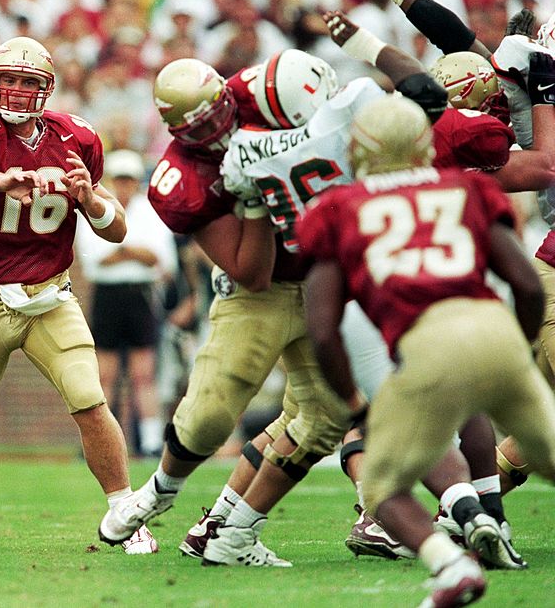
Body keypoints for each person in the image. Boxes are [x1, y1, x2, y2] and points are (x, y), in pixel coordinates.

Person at [300, 93, 555, 608]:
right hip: (495, 333)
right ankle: (486, 521)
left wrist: (354, 407)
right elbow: (528, 285)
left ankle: (452, 566)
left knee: (382, 487)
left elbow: (323, 331)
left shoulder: (337, 209)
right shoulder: (468, 187)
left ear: (359, 148)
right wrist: (521, 350)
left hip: (425, 345)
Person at [0, 36, 157, 555]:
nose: (17, 90)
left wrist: (90, 200)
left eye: (28, 81)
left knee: (90, 400)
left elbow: (117, 229)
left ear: (47, 88)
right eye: (8, 79)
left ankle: (125, 512)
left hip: (50, 297)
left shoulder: (75, 138)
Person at [99, 56, 333, 567]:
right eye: (201, 126)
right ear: (177, 132)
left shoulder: (268, 91)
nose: (219, 129)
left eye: (220, 112)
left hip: (325, 276)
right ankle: (160, 490)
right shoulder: (182, 177)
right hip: (261, 292)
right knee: (209, 413)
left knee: (326, 418)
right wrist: (255, 199)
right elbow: (252, 273)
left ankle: (232, 529)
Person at [74, 148, 178, 457]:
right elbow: (94, 260)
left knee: (143, 373)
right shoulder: (97, 206)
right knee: (104, 374)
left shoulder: (149, 212)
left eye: (129, 179)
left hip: (139, 295)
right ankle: (101, 440)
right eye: (119, 179)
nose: (124, 185)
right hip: (108, 295)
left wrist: (122, 252)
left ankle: (150, 442)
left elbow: (160, 259)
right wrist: (135, 253)